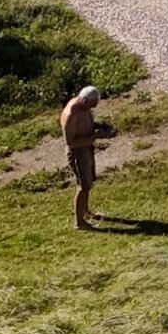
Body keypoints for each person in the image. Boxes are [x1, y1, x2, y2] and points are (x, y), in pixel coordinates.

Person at [61, 86, 102, 229]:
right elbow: (70, 142)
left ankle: (85, 211)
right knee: (83, 186)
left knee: (89, 183)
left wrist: (99, 127)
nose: (94, 107)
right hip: (78, 152)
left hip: (86, 149)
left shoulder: (83, 107)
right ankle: (79, 222)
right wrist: (95, 136)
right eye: (92, 105)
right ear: (84, 100)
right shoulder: (71, 115)